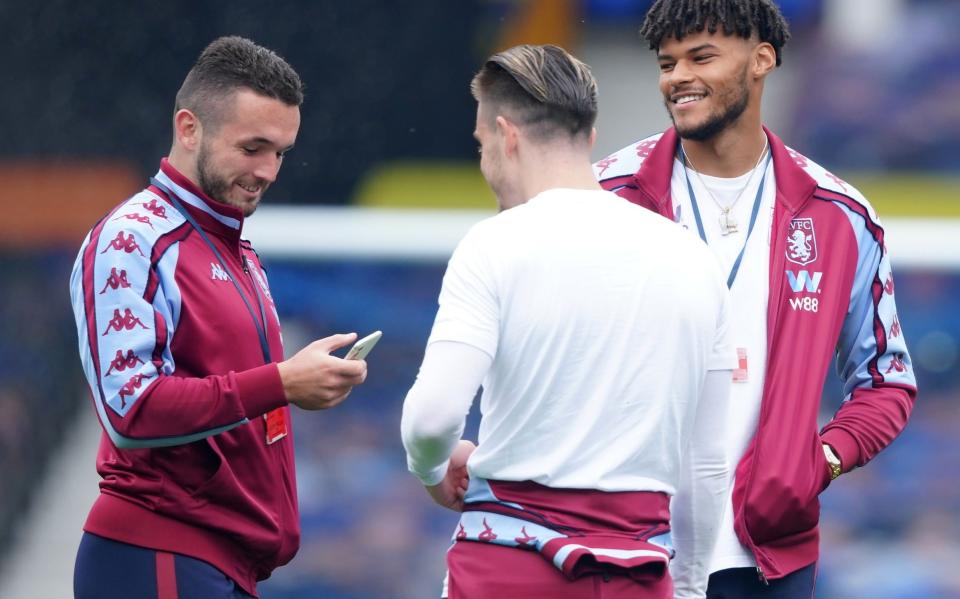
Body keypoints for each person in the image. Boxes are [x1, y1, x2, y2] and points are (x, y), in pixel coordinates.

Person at [594, 1, 918, 596]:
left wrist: (817, 462)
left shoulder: (839, 216)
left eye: (701, 57)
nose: (677, 77)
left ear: (762, 59)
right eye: (667, 64)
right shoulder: (603, 199)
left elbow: (886, 381)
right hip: (621, 542)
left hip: (768, 557)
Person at [402, 44, 735, 599]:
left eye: (482, 145)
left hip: (509, 568)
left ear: (506, 136)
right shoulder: (696, 260)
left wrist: (433, 469)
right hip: (639, 572)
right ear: (589, 140)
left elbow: (432, 419)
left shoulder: (495, 242)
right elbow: (706, 465)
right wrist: (692, 587)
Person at [69, 36, 368, 598]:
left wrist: (299, 385)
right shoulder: (133, 238)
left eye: (281, 151)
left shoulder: (238, 250)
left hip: (218, 563)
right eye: (253, 147)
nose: (270, 170)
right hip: (159, 553)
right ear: (189, 128)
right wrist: (282, 382)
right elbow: (130, 410)